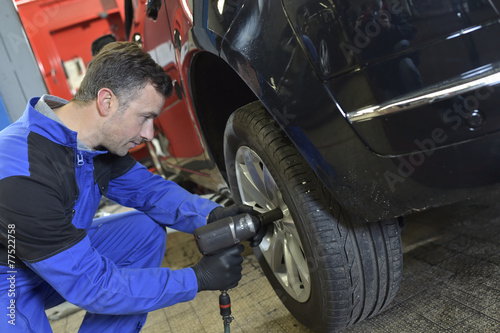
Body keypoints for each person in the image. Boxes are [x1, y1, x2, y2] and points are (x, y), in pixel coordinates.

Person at [0, 41, 262, 332]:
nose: (149, 134)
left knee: (142, 233)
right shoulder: (22, 175)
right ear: (107, 101)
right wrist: (196, 279)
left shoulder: (90, 142)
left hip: (49, 256)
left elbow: (149, 191)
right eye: (145, 118)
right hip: (8, 283)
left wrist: (213, 216)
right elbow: (93, 286)